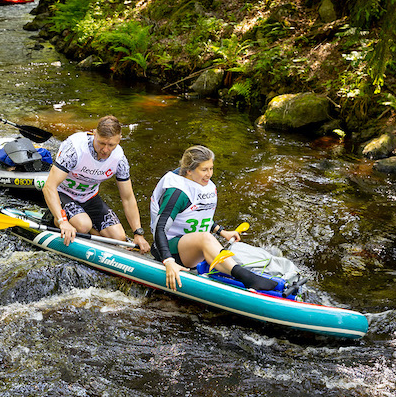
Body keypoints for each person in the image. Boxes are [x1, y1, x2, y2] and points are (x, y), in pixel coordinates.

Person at [150, 145, 279, 292]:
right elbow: (160, 228)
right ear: (189, 170)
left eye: (211, 168)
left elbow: (195, 215)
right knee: (205, 238)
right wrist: (168, 261)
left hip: (191, 245)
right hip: (168, 248)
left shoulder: (200, 184)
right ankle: (247, 278)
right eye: (204, 170)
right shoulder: (177, 193)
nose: (209, 174)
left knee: (208, 239)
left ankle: (242, 274)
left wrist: (222, 232)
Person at [42, 115, 151, 253]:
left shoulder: (120, 159)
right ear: (94, 134)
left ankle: (90, 229)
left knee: (119, 237)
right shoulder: (75, 150)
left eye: (111, 145)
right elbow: (49, 187)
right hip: (63, 193)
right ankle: (54, 218)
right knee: (83, 225)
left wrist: (138, 233)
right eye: (101, 143)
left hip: (89, 197)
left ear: (119, 139)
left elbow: (128, 198)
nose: (105, 150)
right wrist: (62, 220)